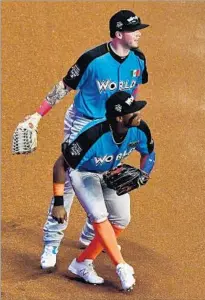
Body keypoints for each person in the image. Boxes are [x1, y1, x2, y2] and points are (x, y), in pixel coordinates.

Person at [23, 10, 150, 269]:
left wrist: (129, 113)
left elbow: (134, 89)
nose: (139, 33)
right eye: (134, 29)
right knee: (70, 179)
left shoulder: (138, 59)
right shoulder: (92, 59)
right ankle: (52, 241)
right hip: (84, 122)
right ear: (118, 34)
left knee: (107, 174)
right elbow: (64, 87)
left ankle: (91, 235)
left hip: (114, 121)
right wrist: (37, 116)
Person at [53, 91, 155, 291]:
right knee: (99, 216)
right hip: (84, 174)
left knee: (121, 219)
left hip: (110, 174)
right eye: (132, 111)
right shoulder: (92, 136)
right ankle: (121, 266)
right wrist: (58, 202)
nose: (138, 113)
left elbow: (148, 152)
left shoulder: (140, 128)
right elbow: (60, 165)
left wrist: (144, 173)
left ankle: (81, 263)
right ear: (119, 117)